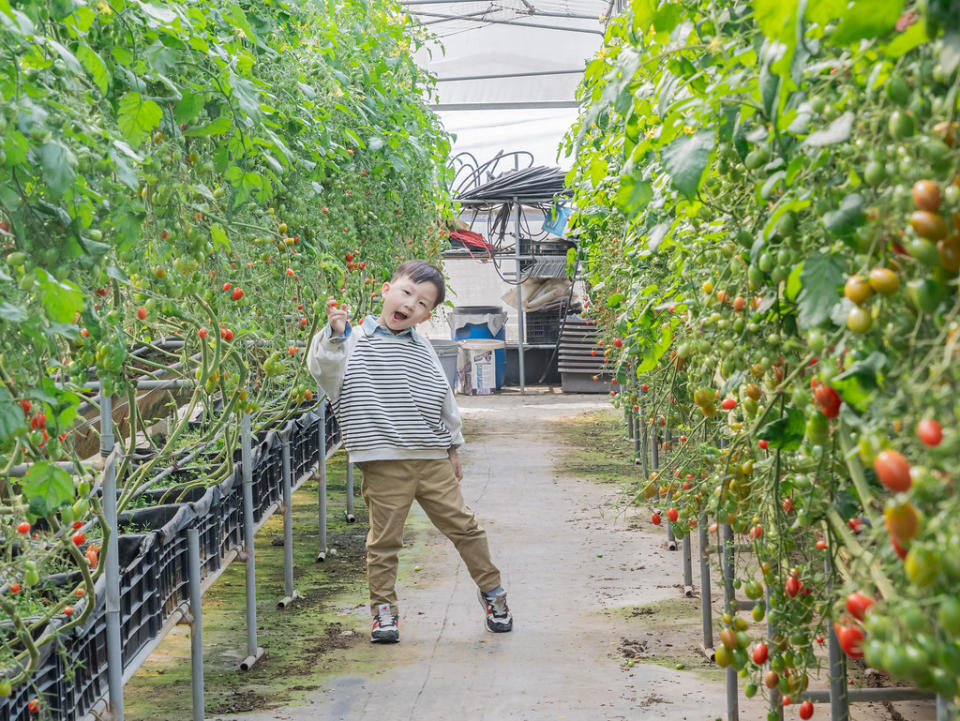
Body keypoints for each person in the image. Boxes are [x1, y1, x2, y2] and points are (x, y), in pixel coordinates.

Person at [307, 260, 512, 643]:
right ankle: (383, 611)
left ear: (426, 316)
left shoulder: (422, 348)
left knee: (465, 527)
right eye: (405, 293)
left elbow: (441, 396)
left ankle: (493, 592)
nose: (410, 304)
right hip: (383, 461)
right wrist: (334, 334)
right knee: (384, 540)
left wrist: (453, 446)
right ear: (385, 290)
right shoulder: (352, 340)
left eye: (421, 303)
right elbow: (324, 369)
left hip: (432, 458)